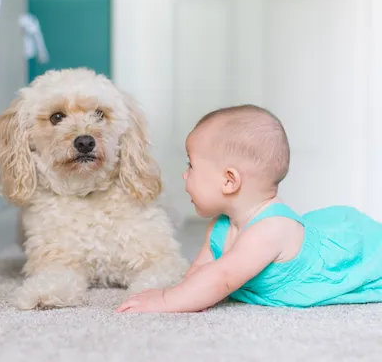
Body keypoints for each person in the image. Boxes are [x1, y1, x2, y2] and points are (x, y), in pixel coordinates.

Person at [116, 104, 382, 313]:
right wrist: (184, 293)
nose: (185, 175)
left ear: (229, 181)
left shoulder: (270, 229)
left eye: (191, 166)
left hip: (346, 254)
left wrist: (165, 300)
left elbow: (222, 278)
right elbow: (201, 273)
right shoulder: (221, 225)